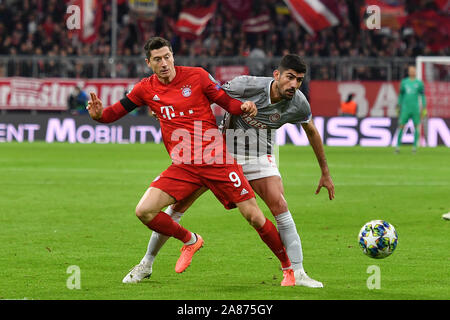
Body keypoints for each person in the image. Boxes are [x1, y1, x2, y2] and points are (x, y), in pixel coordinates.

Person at [87, 37, 296, 286]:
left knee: (253, 216)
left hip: (216, 160)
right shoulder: (145, 89)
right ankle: (190, 240)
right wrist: (99, 116)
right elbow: (113, 113)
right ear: (148, 63)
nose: (164, 63)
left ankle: (288, 269)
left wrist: (244, 107)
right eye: (157, 59)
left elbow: (225, 102)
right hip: (184, 166)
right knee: (144, 211)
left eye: (167, 56)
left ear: (173, 56)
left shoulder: (197, 76)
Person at [123, 54, 335, 287]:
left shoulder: (299, 103)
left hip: (258, 155)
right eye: (290, 78)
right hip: (220, 153)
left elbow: (312, 131)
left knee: (279, 205)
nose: (294, 84)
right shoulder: (246, 84)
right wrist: (163, 106)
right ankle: (146, 263)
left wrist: (325, 172)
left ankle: (297, 272)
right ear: (277, 75)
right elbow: (207, 93)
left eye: (299, 80)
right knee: (177, 206)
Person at [395, 65, 427, 153]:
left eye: (413, 70)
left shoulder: (419, 83)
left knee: (416, 127)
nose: (412, 72)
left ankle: (414, 147)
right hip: (405, 108)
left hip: (415, 108)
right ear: (408, 72)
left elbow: (422, 95)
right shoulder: (404, 82)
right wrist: (398, 105)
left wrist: (424, 107)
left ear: (415, 72)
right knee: (401, 126)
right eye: (410, 70)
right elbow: (401, 95)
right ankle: (397, 147)